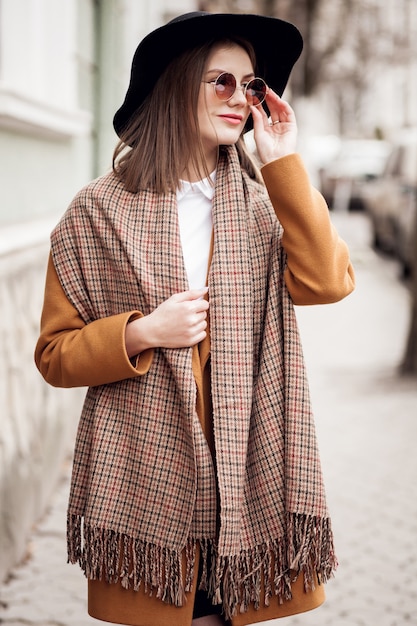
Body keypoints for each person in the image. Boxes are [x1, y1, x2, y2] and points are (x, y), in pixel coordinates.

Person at [34, 11, 355, 626]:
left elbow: (327, 282)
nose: (241, 98)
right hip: (146, 481)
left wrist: (283, 162)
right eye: (222, 82)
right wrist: (141, 332)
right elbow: (53, 353)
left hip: (246, 473)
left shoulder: (265, 204)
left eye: (252, 84)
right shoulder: (98, 212)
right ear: (178, 84)